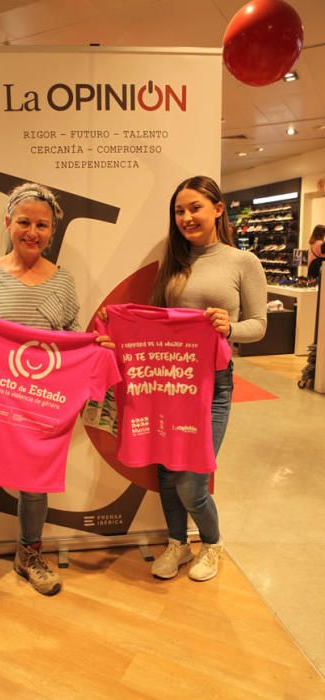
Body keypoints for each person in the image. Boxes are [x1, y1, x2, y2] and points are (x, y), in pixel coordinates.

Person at [0, 182, 111, 625]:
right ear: (8, 223)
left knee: (36, 484)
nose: (31, 232)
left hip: (41, 403)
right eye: (24, 222)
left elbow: (71, 337)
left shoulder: (63, 280)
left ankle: (28, 555)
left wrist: (94, 345)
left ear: (51, 231)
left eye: (41, 225)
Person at [147, 175, 267, 582]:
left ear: (218, 208)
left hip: (214, 383)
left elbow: (260, 325)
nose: (186, 217)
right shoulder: (174, 261)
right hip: (168, 381)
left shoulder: (242, 261)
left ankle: (212, 543)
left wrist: (229, 328)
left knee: (192, 480)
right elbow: (155, 320)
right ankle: (177, 543)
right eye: (179, 210)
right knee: (166, 471)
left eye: (194, 207)